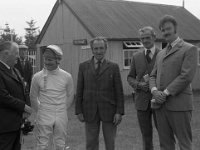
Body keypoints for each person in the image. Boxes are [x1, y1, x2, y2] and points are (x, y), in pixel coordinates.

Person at [149, 15, 198, 150]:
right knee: (165, 144)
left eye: (168, 29)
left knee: (185, 144)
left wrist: (164, 93)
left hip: (180, 105)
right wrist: (154, 91)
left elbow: (186, 76)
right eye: (163, 30)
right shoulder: (160, 53)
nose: (165, 32)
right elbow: (152, 75)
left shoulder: (189, 49)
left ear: (175, 29)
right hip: (160, 105)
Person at [75, 36, 124, 150]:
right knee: (91, 143)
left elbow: (119, 91)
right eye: (96, 48)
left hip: (109, 111)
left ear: (106, 48)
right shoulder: (83, 66)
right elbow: (79, 89)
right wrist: (79, 110)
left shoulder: (113, 67)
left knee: (110, 143)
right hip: (89, 110)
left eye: (101, 48)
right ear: (92, 49)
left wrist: (119, 112)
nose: (99, 51)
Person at [30, 45, 74, 150]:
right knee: (42, 144)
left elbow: (70, 95)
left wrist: (62, 109)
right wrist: (40, 110)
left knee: (60, 142)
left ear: (58, 60)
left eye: (50, 60)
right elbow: (33, 96)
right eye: (45, 59)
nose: (47, 62)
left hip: (61, 112)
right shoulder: (37, 77)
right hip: (44, 111)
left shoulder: (66, 76)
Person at [127, 26, 159, 150]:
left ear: (154, 37)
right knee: (146, 135)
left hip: (159, 101)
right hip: (141, 102)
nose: (145, 40)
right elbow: (130, 77)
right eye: (142, 38)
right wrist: (139, 84)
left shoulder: (163, 54)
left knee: (164, 133)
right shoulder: (136, 56)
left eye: (147, 37)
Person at [0, 41, 32, 150]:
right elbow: (3, 96)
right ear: (5, 54)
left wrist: (27, 109)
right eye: (16, 53)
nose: (18, 56)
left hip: (17, 123)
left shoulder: (15, 70)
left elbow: (24, 90)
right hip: (4, 126)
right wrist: (24, 106)